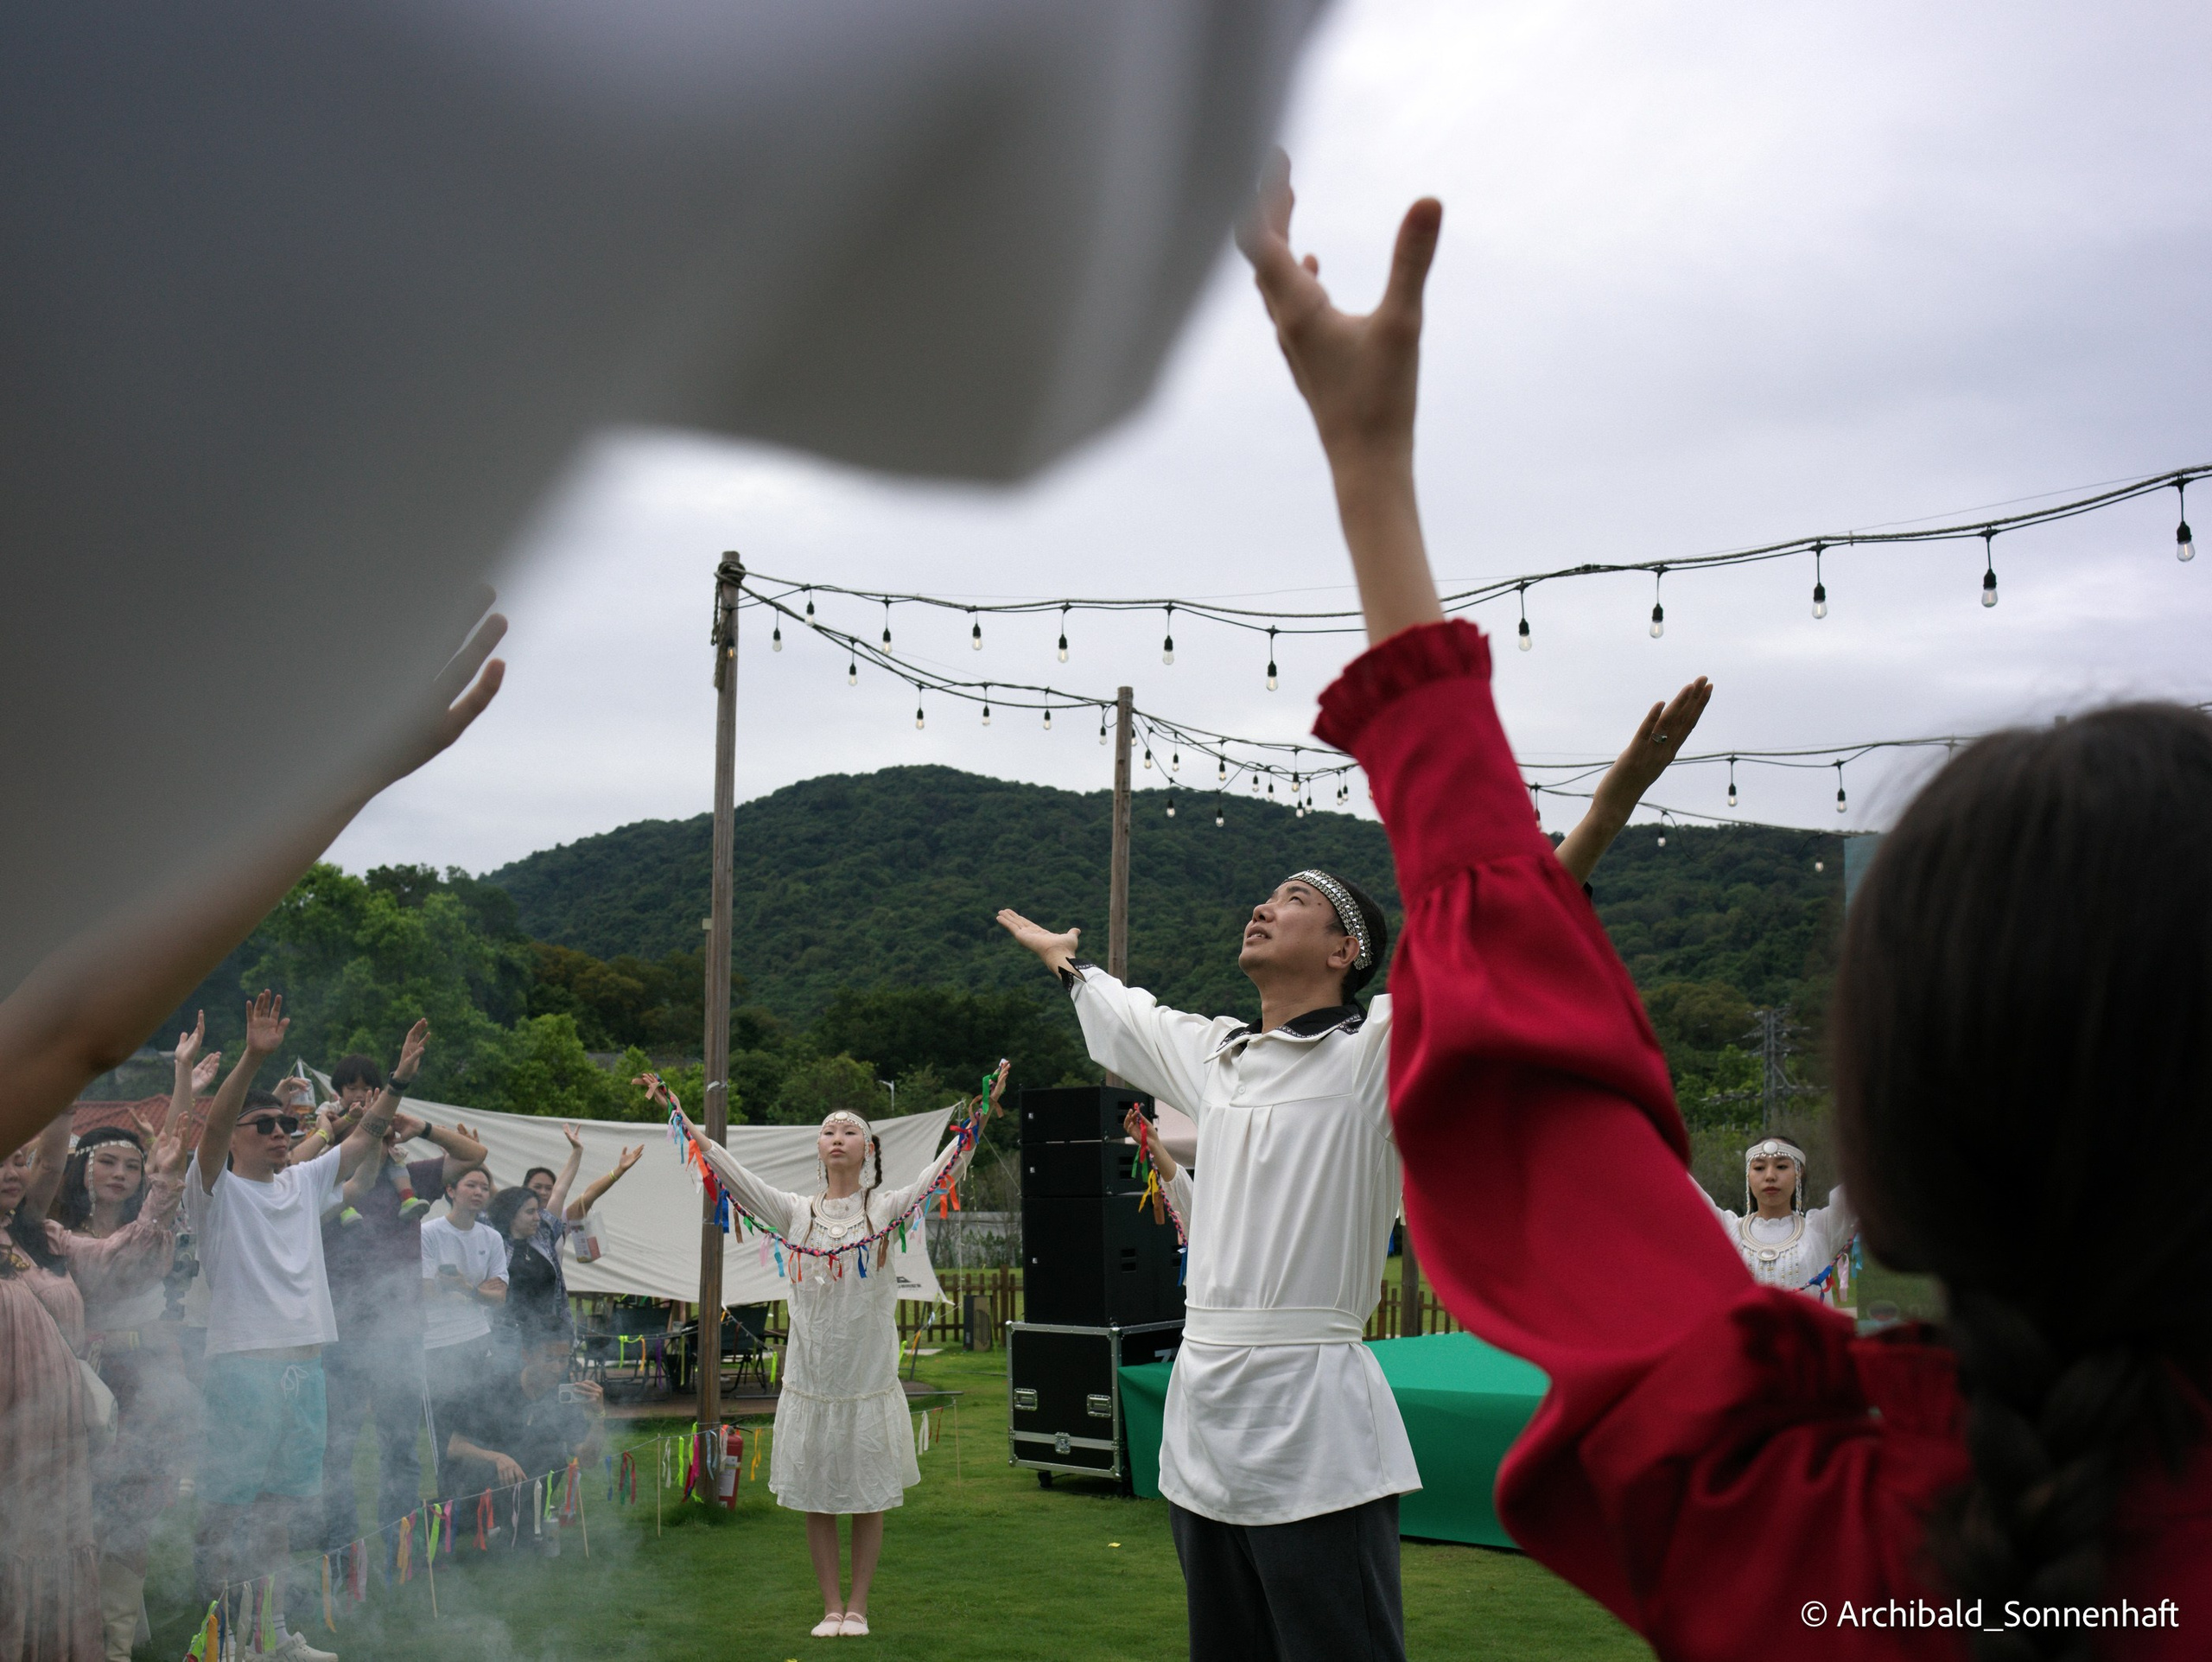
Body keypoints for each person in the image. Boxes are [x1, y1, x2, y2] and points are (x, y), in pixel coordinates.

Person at [1242, 157, 2210, 1658]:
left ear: (1891, 1141)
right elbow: (1525, 1059)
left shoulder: (1795, 1508)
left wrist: (1369, 471)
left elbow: (1534, 1102)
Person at [996, 774, 1694, 1657]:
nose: (1262, 907)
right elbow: (1123, 1012)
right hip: (1202, 1409)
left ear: (1344, 951)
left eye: (1293, 901)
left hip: (1313, 1414)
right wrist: (1062, 957)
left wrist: (1608, 808)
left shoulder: (1372, 1058)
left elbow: (1498, 938)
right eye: (1267, 896)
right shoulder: (1216, 1056)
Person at [665, 1072, 994, 1640]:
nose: (837, 1135)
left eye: (849, 1130)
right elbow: (735, 1179)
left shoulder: (885, 1206)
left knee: (866, 1496)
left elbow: (936, 1177)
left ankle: (860, 1606)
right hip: (812, 1380)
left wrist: (980, 1116)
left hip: (866, 1378)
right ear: (819, 1149)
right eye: (828, 1130)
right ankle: (830, 1605)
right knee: (819, 1495)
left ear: (867, 1149)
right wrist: (685, 1121)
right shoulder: (795, 1211)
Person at [187, 992, 416, 1662]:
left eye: (287, 1124)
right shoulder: (216, 1191)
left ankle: (272, 1633)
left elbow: (366, 1133)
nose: (281, 1132)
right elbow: (213, 1127)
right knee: (229, 1513)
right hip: (243, 1366)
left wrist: (399, 1078)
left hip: (305, 1367)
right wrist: (254, 1055)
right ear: (236, 1138)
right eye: (266, 1126)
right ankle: (221, 1638)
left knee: (280, 1514)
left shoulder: (301, 1181)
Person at [44, 1017, 219, 1660]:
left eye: (130, 1165)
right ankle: (81, 1625)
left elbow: (170, 1149)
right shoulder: (56, 1228)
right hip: (82, 1376)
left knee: (138, 1500)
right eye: (107, 1162)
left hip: (150, 1368)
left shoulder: (157, 1221)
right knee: (82, 1505)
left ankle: (115, 1641)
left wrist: (182, 1080)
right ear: (82, 1169)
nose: (120, 1172)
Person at [315, 1048, 486, 1566]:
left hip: (400, 1330)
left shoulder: (407, 1169)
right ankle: (342, 1561)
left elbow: (474, 1156)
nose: (362, 1098)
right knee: (336, 1452)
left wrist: (421, 1126)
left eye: (371, 1091)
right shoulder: (317, 1172)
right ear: (340, 1101)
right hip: (338, 1329)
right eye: (352, 1091)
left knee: (400, 1451)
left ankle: (402, 1557)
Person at [0, 1130, 100, 1658]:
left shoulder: (32, 1236)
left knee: (42, 1535)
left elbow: (52, 1158)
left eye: (19, 1161)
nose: (12, 1174)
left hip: (47, 1426)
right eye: (1, 1162)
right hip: (6, 1428)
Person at [512, 1125, 645, 1356]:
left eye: (548, 1188)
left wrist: (618, 1171)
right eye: (537, 1188)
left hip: (550, 1313)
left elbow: (585, 1194)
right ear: (524, 1191)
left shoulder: (553, 1225)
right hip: (516, 1318)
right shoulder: (508, 1225)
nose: (544, 1193)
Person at [419, 1167, 510, 1496]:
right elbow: (426, 1291)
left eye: (484, 1187)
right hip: (438, 1345)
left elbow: (499, 1298)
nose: (479, 1192)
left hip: (478, 1339)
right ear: (451, 1190)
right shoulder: (429, 1233)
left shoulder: (492, 1238)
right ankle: (444, 1513)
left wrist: (464, 1288)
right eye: (470, 1185)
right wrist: (475, 1291)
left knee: (477, 1426)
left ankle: (475, 1508)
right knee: (444, 1434)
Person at [1702, 1136, 1858, 1303]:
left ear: (1799, 1172)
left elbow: (1864, 1178)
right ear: (1748, 1175)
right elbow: (1680, 1187)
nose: (1770, 1176)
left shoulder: (1821, 1228)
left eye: (1782, 1166)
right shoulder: (1726, 1229)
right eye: (1759, 1167)